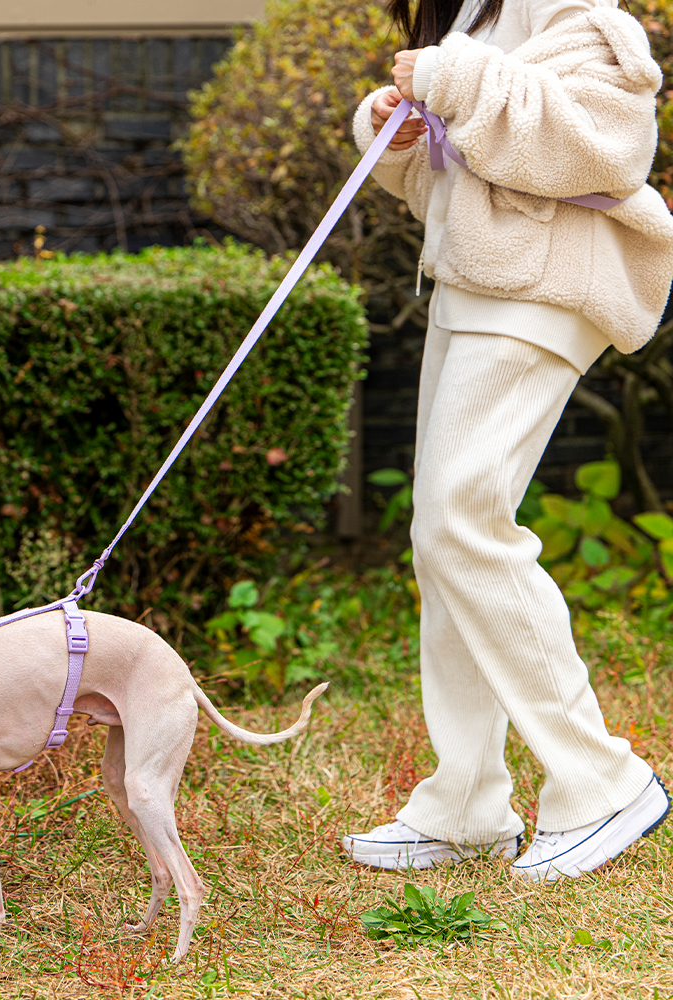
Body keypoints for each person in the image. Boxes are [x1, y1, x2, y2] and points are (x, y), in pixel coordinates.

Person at [341, 0, 673, 880]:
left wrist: (451, 78)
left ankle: (602, 780)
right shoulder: (472, 8)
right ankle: (464, 806)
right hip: (478, 284)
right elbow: (484, 166)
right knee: (441, 538)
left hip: (546, 284)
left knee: (462, 518)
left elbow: (607, 143)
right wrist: (399, 137)